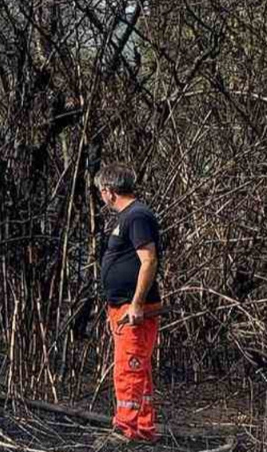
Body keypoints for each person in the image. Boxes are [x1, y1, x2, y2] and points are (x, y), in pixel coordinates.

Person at [96, 162, 162, 445]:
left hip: (134, 310)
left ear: (109, 191)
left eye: (101, 191)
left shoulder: (137, 217)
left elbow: (149, 260)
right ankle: (143, 429)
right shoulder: (129, 217)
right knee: (139, 369)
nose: (101, 196)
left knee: (129, 367)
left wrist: (136, 304)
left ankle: (126, 430)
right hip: (122, 307)